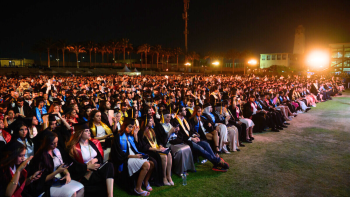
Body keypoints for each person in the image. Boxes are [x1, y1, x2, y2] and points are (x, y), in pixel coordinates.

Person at [173, 105, 229, 172]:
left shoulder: (185, 120)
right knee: (201, 149)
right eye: (184, 110)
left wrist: (195, 136)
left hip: (191, 138)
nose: (186, 111)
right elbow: (180, 135)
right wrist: (191, 139)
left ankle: (216, 162)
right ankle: (217, 161)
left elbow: (191, 130)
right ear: (179, 112)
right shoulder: (175, 121)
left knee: (206, 144)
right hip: (186, 141)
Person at [66, 122, 114, 197]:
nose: (89, 132)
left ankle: (110, 195)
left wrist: (95, 160)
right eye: (86, 131)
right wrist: (87, 167)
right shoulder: (73, 148)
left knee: (109, 165)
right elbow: (72, 166)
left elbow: (99, 157)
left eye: (89, 130)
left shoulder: (92, 143)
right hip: (84, 174)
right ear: (80, 133)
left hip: (96, 168)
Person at [29, 132, 84, 197]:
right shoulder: (41, 156)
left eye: (57, 142)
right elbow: (42, 179)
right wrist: (57, 171)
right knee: (73, 193)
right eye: (53, 144)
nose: (56, 145)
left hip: (58, 179)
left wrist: (67, 174)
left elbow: (62, 166)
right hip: (47, 185)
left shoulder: (56, 151)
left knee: (81, 188)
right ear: (46, 143)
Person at [110, 117, 154, 196]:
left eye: (132, 127)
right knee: (147, 164)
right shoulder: (118, 136)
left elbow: (138, 147)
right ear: (124, 126)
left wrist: (136, 135)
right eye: (130, 126)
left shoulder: (131, 135)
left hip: (135, 156)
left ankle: (145, 181)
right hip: (126, 159)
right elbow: (117, 153)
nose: (131, 128)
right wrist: (133, 156)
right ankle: (138, 188)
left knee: (152, 163)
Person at [157, 109, 196, 176]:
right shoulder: (159, 126)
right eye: (167, 117)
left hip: (175, 141)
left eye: (170, 117)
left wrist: (176, 131)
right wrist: (170, 132)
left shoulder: (169, 124)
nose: (169, 119)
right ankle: (179, 171)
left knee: (187, 147)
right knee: (180, 151)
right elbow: (162, 139)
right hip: (167, 143)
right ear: (163, 118)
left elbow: (175, 135)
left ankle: (188, 168)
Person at [140, 114, 174, 186]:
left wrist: (160, 146)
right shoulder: (141, 132)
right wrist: (156, 149)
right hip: (149, 151)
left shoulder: (151, 130)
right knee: (164, 157)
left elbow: (157, 141)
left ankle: (169, 176)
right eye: (150, 120)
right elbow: (144, 147)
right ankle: (164, 178)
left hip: (156, 148)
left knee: (169, 154)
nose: (152, 121)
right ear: (146, 121)